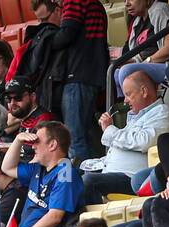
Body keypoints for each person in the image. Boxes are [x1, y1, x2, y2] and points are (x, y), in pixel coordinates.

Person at [83, 72, 169, 205]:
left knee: (88, 182)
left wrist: (110, 130)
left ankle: (88, 224)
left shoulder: (162, 113)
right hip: (113, 174)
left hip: (134, 179)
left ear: (144, 91)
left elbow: (144, 142)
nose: (125, 100)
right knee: (71, 178)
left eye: (128, 94)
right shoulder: (137, 116)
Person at [0, 121, 83, 227]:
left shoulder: (65, 171)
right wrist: (18, 140)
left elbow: (55, 217)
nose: (33, 147)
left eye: (37, 141)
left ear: (52, 145)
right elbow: (7, 168)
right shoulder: (38, 167)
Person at [50, 0, 110, 164]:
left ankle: (83, 182)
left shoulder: (74, 1)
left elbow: (66, 35)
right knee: (87, 134)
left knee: (74, 136)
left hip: (78, 75)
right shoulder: (93, 3)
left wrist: (45, 39)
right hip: (89, 74)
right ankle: (96, 177)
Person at [113, 0, 169, 93]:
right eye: (125, 0)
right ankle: (126, 105)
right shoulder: (138, 21)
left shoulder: (161, 11)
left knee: (126, 71)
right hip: (150, 64)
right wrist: (133, 61)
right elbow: (140, 54)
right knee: (116, 72)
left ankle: (135, 104)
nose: (127, 4)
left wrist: (146, 61)